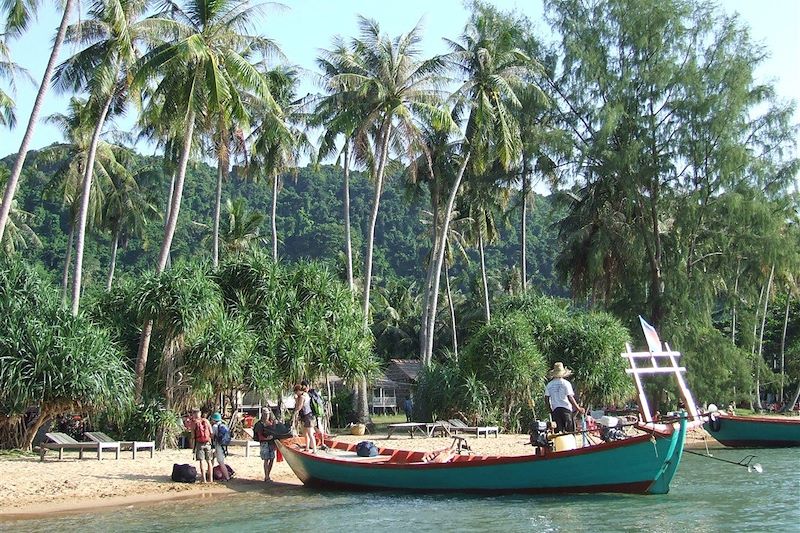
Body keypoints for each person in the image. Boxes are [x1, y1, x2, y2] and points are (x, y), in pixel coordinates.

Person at [544, 362, 584, 433]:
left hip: (555, 410)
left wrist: (550, 410)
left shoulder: (549, 385)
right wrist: (578, 408)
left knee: (558, 432)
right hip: (566, 410)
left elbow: (546, 399)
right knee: (570, 431)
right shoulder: (566, 383)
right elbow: (570, 397)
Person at [184, 408, 213, 483]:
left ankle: (204, 479)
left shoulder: (194, 423)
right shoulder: (206, 421)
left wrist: (193, 448)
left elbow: (193, 436)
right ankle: (211, 479)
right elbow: (211, 433)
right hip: (208, 443)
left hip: (200, 444)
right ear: (200, 413)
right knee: (209, 461)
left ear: (194, 414)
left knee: (201, 461)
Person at [253, 408, 276, 482]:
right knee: (266, 459)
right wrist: (267, 439)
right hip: (264, 443)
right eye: (265, 414)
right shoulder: (259, 424)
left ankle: (268, 475)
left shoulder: (270, 423)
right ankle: (266, 476)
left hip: (271, 443)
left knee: (272, 459)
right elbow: (259, 436)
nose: (266, 415)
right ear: (262, 414)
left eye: (267, 414)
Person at [293, 383, 318, 453]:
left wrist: (295, 413)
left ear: (298, 391)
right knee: (305, 433)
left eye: (296, 392)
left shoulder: (303, 396)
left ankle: (314, 449)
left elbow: (299, 406)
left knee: (310, 433)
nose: (296, 393)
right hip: (305, 416)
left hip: (308, 416)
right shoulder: (302, 395)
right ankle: (307, 447)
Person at [209, 412, 230, 481]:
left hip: (218, 446)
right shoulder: (224, 425)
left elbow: (212, 436)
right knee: (212, 457)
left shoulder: (215, 426)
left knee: (220, 462)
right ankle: (210, 473)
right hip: (224, 446)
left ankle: (227, 477)